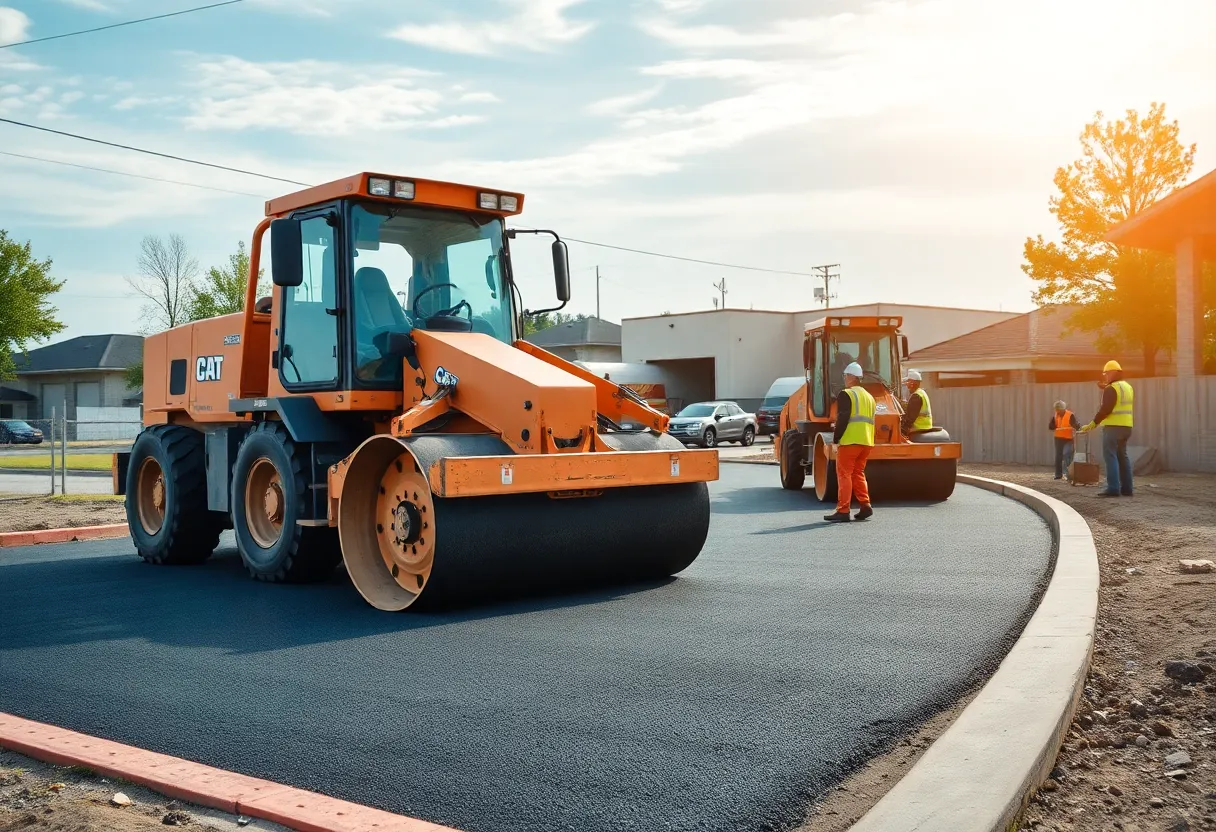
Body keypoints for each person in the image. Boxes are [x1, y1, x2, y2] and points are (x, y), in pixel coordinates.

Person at [825, 362, 875, 523]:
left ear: (852, 377)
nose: (845, 379)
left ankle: (843, 509)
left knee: (844, 474)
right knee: (858, 473)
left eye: (846, 376)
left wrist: (836, 439)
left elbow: (843, 418)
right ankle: (865, 504)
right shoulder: (869, 397)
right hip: (866, 441)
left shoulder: (846, 394)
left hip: (850, 440)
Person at [1079, 360, 1134, 497]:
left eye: (1106, 373)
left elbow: (1106, 409)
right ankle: (1127, 489)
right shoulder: (1127, 387)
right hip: (1126, 427)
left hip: (1113, 427)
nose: (1106, 376)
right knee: (1123, 456)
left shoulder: (1111, 389)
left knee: (1110, 456)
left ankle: (1113, 488)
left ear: (1112, 372)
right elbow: (1117, 398)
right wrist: (1106, 387)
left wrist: (1093, 424)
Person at [1049, 401, 1080, 481]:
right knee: (1058, 456)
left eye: (1059, 410)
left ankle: (1069, 474)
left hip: (1068, 439)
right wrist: (1052, 426)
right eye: (1057, 410)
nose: (1058, 411)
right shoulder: (1055, 415)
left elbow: (1075, 425)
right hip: (1058, 438)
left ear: (1063, 409)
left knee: (1067, 454)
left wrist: (1077, 426)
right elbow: (1051, 426)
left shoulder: (1070, 415)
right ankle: (1058, 475)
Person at [901, 369, 933, 434]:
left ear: (912, 383)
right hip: (925, 426)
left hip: (919, 427)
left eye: (908, 382)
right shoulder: (921, 393)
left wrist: (903, 429)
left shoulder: (916, 396)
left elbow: (910, 418)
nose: (907, 385)